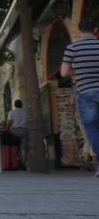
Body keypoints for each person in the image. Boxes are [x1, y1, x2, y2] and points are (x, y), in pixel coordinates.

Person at [61, 17, 99, 178]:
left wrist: (78, 72)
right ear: (95, 29)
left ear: (79, 30)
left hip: (85, 93)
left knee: (91, 128)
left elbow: (63, 72)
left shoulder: (72, 48)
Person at [6, 99, 28, 168]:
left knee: (14, 146)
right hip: (24, 130)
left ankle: (15, 160)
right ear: (22, 105)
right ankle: (23, 163)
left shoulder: (12, 112)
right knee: (24, 147)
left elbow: (9, 122)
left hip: (15, 131)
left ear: (15, 105)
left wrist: (7, 129)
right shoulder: (25, 112)